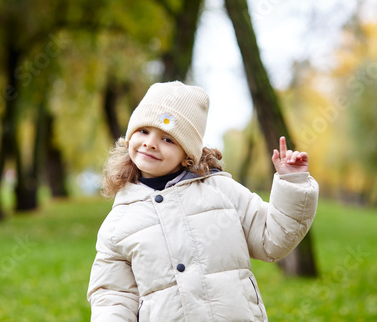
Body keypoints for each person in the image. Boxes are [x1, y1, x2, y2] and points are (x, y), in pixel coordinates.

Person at [87, 81, 319, 321]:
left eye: (168, 139)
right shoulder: (118, 223)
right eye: (143, 131)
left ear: (188, 152)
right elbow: (112, 295)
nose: (150, 143)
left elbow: (273, 239)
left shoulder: (222, 191)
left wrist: (293, 184)